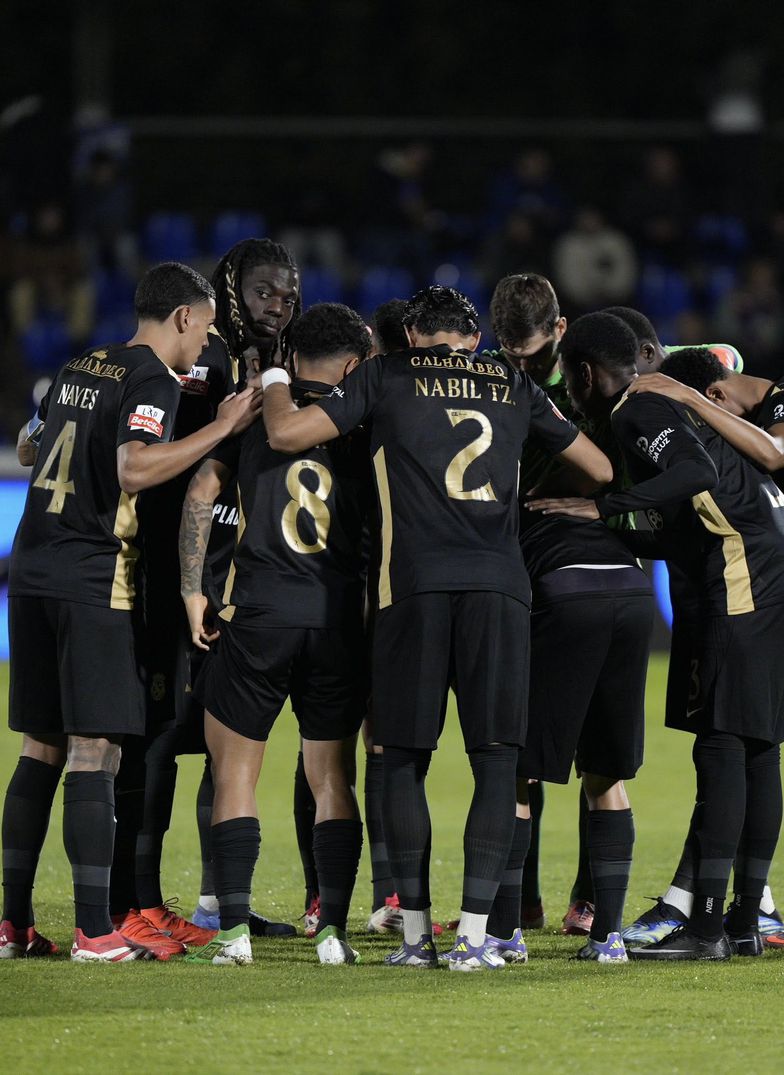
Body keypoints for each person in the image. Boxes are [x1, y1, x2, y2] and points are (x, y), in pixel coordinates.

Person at [261, 285, 612, 971]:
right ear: (474, 339)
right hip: (499, 590)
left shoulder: (386, 374)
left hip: (411, 588)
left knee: (400, 759)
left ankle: (417, 935)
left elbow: (285, 434)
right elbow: (598, 466)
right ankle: (476, 937)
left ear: (414, 335)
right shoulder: (510, 381)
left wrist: (274, 376)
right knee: (496, 762)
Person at [530, 312, 784, 961]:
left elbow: (697, 477)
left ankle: (707, 926)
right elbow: (683, 525)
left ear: (582, 375)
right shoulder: (665, 405)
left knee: (722, 749)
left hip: (748, 574)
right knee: (757, 750)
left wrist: (604, 507)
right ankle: (745, 921)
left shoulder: (637, 408)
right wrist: (610, 530)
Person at [0, 262, 259, 961]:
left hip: (30, 569)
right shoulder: (151, 377)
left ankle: (13, 924)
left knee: (41, 746)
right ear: (181, 318)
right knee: (97, 747)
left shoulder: (83, 363)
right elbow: (135, 470)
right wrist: (224, 425)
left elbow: (28, 445)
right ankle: (94, 930)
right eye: (205, 328)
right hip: (93, 578)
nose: (207, 343)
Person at [107, 238, 301, 956]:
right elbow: (133, 420)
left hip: (242, 579)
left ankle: (219, 902)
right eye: (261, 292)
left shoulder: (287, 363)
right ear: (226, 292)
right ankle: (141, 899)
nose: (275, 305)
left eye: (286, 292)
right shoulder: (195, 356)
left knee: (228, 747)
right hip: (171, 573)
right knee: (158, 743)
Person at [630, 349, 784, 950]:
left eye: (709, 412)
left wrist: (682, 401)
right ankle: (773, 909)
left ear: (717, 394)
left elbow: (777, 451)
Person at [179, 303, 373, 966]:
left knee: (235, 772)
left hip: (257, 615)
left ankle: (232, 929)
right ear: (353, 364)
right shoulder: (361, 422)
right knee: (332, 776)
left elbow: (202, 492)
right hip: (336, 620)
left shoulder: (261, 417)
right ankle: (332, 931)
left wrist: (192, 589)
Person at [485, 274, 654, 965]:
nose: (524, 368)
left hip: (561, 585)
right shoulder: (611, 396)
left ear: (561, 333)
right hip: (633, 586)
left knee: (522, 770)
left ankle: (501, 933)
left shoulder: (521, 398)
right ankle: (607, 934)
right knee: (605, 774)